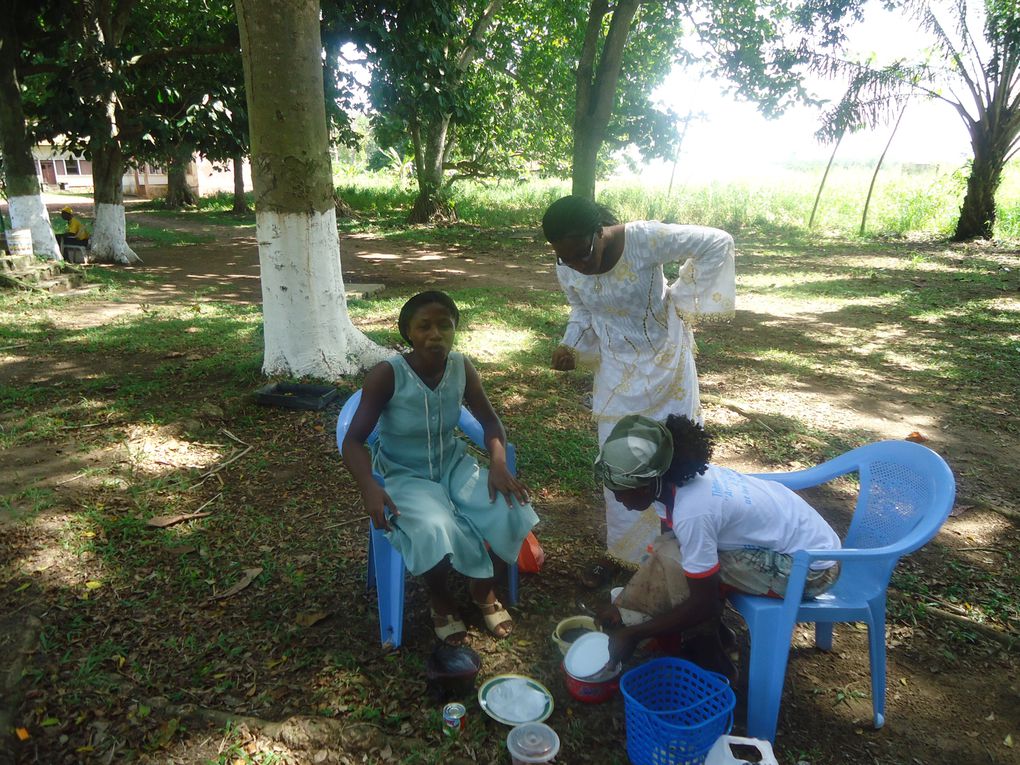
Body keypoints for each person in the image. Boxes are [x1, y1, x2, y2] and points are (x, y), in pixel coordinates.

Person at [541, 195, 735, 577]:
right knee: (619, 461)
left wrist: (679, 299)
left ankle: (679, 550)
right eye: (568, 259)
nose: (579, 265)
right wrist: (570, 343)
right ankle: (627, 554)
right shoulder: (567, 264)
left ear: (600, 233)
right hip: (617, 371)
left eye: (584, 253)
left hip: (667, 365)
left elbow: (717, 242)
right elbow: (581, 308)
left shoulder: (643, 239)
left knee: (675, 458)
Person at [342, 291, 539, 645]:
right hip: (405, 473)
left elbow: (491, 423)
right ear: (409, 334)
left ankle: (482, 590)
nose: (435, 335)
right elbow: (353, 440)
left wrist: (496, 464)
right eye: (424, 327)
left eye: (444, 326)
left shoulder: (461, 367)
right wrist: (368, 485)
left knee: (510, 509)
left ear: (455, 330)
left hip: (454, 465)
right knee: (433, 526)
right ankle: (441, 598)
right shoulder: (387, 376)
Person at [594, 413, 841, 681]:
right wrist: (625, 606)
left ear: (647, 484)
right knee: (674, 553)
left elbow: (704, 603)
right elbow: (670, 543)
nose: (617, 498)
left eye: (621, 489)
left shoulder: (693, 511)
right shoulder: (667, 483)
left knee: (686, 570)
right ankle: (716, 637)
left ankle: (713, 657)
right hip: (804, 541)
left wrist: (634, 633)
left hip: (810, 568)